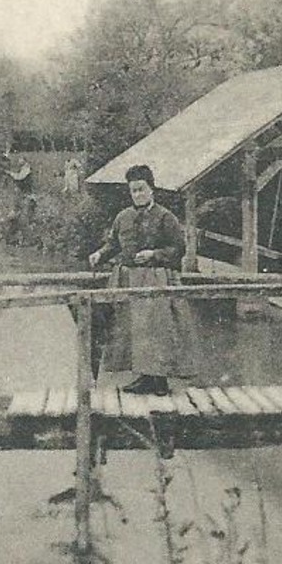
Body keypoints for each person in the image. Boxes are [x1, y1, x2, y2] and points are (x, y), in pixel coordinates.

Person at [87, 164, 197, 395]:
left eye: (141, 189)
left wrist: (154, 254)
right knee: (134, 331)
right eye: (133, 190)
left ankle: (160, 381)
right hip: (128, 279)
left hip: (156, 278)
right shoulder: (123, 217)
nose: (137, 194)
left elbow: (179, 248)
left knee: (156, 329)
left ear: (151, 189)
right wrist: (100, 253)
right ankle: (144, 378)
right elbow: (113, 243)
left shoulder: (166, 217)